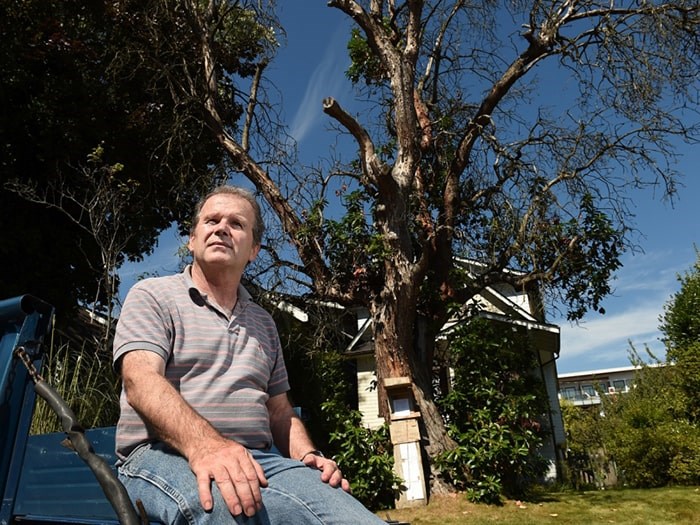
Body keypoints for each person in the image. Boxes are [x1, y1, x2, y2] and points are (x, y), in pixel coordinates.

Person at [113, 185, 386, 524]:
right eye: (211, 220)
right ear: (192, 239)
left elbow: (279, 410)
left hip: (257, 460)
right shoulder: (153, 296)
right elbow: (140, 379)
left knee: (354, 519)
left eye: (236, 223)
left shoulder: (264, 323)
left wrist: (308, 455)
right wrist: (208, 447)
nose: (221, 227)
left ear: (254, 249)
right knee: (222, 508)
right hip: (158, 454)